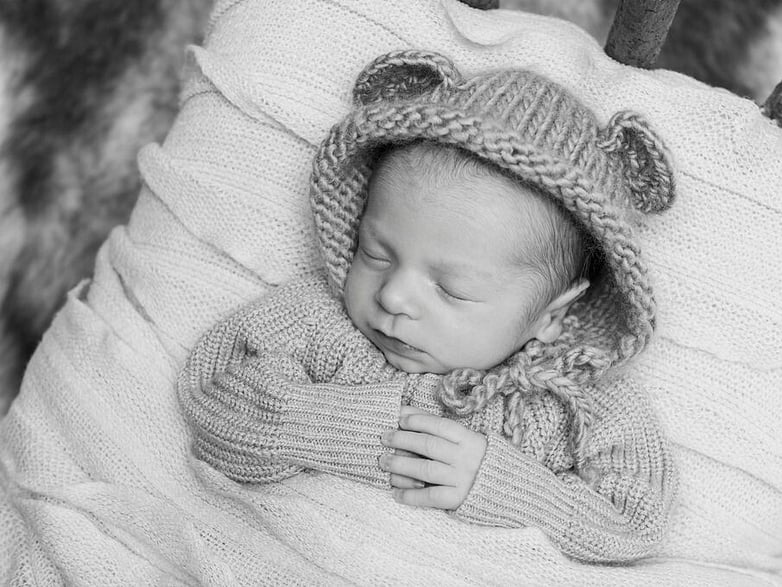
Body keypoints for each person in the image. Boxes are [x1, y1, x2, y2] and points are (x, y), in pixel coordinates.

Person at [177, 50, 678, 563]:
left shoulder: (577, 405)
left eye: (451, 289)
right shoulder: (318, 321)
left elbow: (632, 525)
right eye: (376, 254)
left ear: (551, 315)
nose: (392, 297)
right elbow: (211, 393)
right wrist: (341, 427)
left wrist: (503, 485)